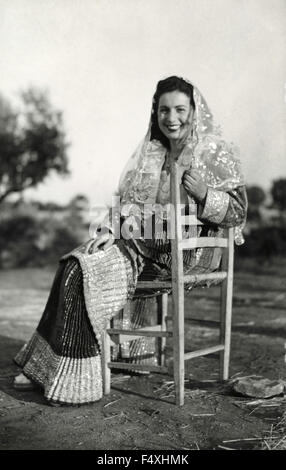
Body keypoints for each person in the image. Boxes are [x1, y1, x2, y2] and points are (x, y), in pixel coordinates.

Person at [13, 76, 247, 405]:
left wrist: (206, 193)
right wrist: (112, 228)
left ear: (195, 111)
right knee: (73, 264)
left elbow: (238, 212)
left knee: (82, 271)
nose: (172, 118)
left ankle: (74, 378)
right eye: (164, 110)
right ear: (156, 113)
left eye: (180, 109)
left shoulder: (213, 151)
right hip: (147, 245)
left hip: (195, 252)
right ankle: (47, 365)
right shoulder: (152, 152)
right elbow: (127, 204)